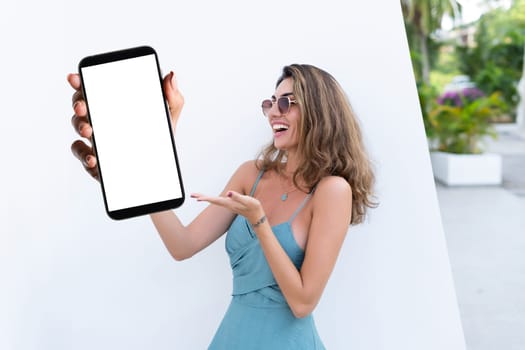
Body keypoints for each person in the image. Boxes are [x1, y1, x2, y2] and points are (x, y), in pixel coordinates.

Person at [68, 64, 376, 349]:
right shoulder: (251, 174)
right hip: (232, 337)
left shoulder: (332, 190)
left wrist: (260, 222)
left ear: (318, 112)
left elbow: (303, 303)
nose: (273, 113)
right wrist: (139, 181)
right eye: (270, 103)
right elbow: (182, 244)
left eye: (287, 103)